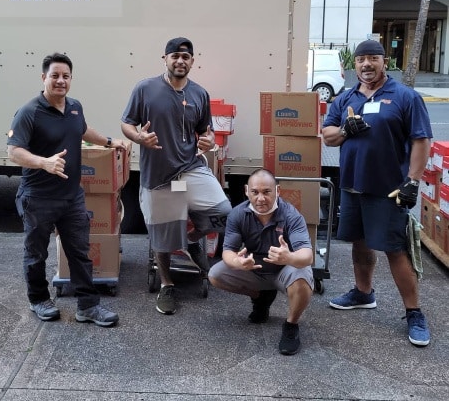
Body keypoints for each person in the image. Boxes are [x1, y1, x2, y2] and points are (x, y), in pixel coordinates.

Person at [322, 39, 432, 346]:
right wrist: (345, 130)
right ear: (353, 65)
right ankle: (363, 292)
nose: (366, 64)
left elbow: (422, 140)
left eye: (373, 58)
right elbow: (327, 135)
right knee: (359, 242)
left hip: (388, 189)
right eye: (361, 60)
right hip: (353, 185)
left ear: (385, 62)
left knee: (395, 249)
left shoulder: (405, 96)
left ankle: (414, 312)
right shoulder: (346, 98)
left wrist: (412, 180)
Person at [7, 52, 125, 327]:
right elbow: (14, 152)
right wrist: (43, 162)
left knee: (80, 253)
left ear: (71, 79)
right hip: (38, 197)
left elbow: (83, 130)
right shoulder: (29, 112)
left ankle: (88, 306)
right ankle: (38, 300)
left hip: (72, 197)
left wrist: (111, 141)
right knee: (36, 253)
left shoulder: (74, 106)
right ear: (43, 78)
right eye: (55, 76)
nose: (60, 81)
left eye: (65, 76)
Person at [121, 37, 232, 315]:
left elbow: (205, 130)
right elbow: (126, 123)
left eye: (185, 56)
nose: (180, 61)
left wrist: (208, 140)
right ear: (165, 59)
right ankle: (167, 285)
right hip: (159, 175)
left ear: (192, 61)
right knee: (163, 237)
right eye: (175, 56)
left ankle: (192, 241)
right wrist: (138, 137)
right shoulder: (145, 89)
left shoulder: (199, 94)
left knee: (223, 210)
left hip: (189, 168)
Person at [208, 168, 314, 355]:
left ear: (278, 191)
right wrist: (238, 262)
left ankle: (291, 325)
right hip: (254, 268)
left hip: (283, 271)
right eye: (255, 192)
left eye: (267, 192)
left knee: (303, 277)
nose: (261, 198)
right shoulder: (238, 214)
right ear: (246, 190)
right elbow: (227, 252)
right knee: (215, 275)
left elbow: (307, 255)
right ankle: (260, 297)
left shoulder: (291, 215)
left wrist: (289, 257)